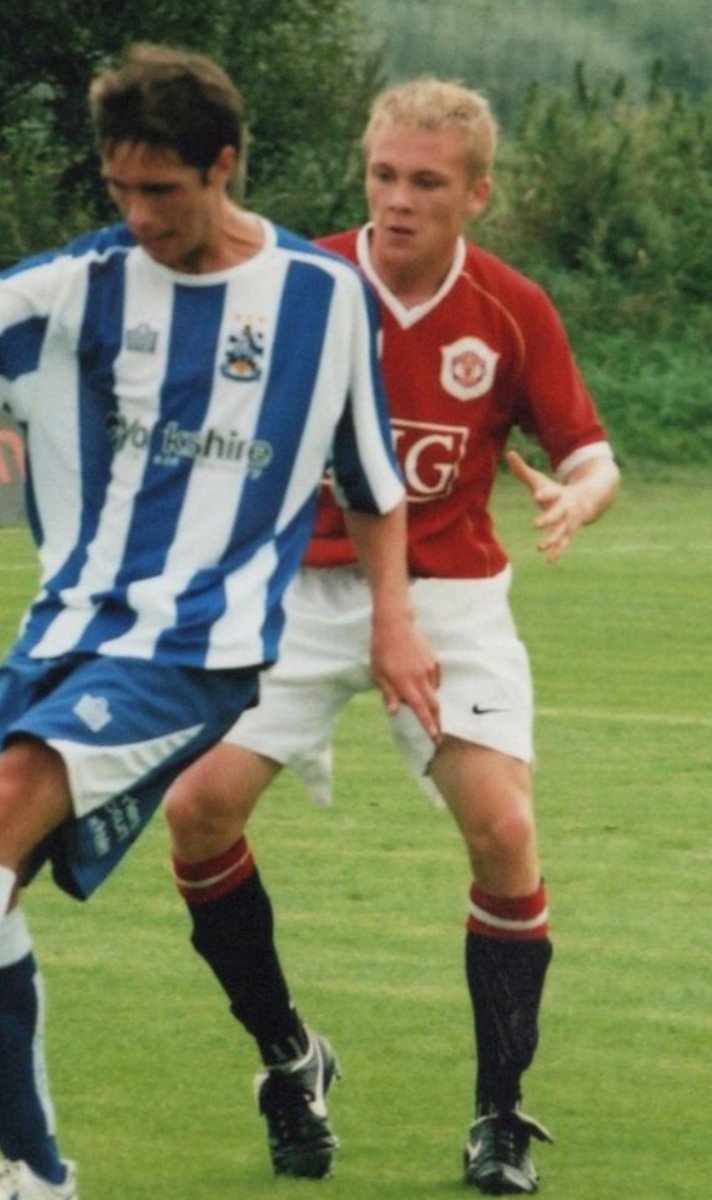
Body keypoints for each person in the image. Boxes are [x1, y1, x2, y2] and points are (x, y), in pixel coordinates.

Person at [163, 77, 620, 1194]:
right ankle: (288, 1055)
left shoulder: (510, 309)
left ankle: (499, 1118)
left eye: (426, 182)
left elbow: (589, 452)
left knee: (504, 833)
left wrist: (577, 497)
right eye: (382, 176)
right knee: (195, 809)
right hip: (295, 596)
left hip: (450, 597)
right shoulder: (292, 283)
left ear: (476, 195)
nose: (398, 200)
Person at [0, 47, 441, 1200]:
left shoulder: (319, 296)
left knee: (3, 812)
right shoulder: (78, 287)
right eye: (120, 192)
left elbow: (372, 481)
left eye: (164, 192)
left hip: (203, 647)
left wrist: (394, 624)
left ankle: (36, 1177)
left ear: (225, 166)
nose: (139, 217)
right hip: (63, 632)